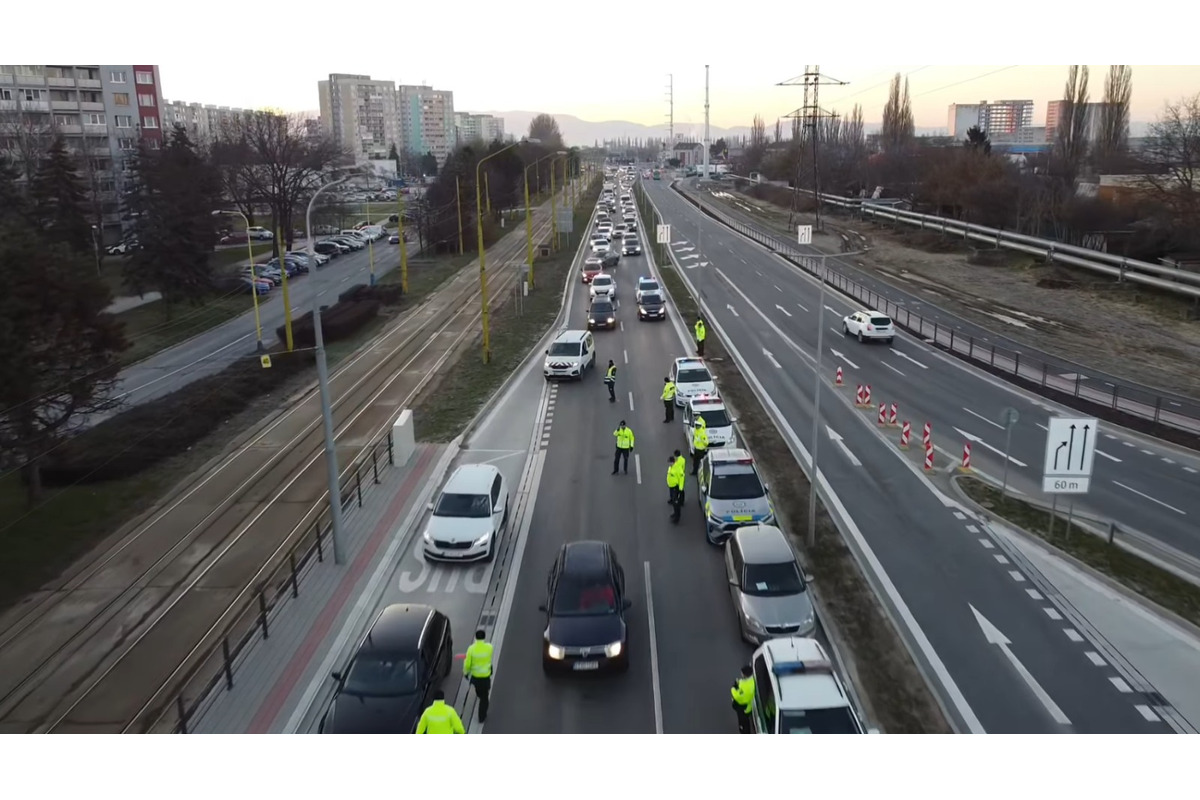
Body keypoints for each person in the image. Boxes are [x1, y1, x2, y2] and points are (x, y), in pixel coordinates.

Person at [463, 629, 494, 724]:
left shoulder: (471, 649)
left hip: (476, 677)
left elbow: (467, 664)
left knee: (480, 694)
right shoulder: (489, 647)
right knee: (485, 697)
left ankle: (481, 713)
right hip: (485, 676)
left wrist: (466, 673)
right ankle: (482, 715)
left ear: (475, 638)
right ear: (484, 637)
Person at [731, 665, 755, 734]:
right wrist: (738, 682)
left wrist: (733, 689)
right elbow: (742, 682)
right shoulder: (750, 681)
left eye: (742, 673)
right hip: (746, 707)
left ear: (745, 675)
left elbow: (737, 696)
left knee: (743, 723)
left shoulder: (747, 687)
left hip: (744, 708)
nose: (741, 674)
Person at [667, 451, 686, 523]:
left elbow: (681, 479)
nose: (669, 464)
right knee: (674, 502)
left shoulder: (678, 469)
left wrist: (680, 489)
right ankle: (675, 513)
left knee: (676, 503)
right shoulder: (671, 467)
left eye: (669, 462)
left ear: (673, 462)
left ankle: (677, 518)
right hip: (671, 486)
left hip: (676, 487)